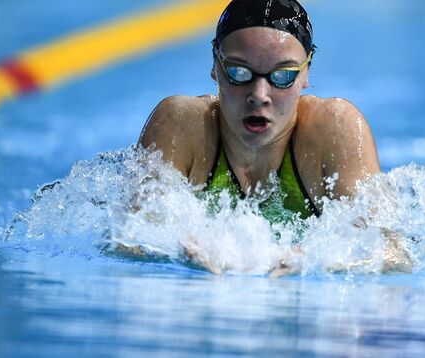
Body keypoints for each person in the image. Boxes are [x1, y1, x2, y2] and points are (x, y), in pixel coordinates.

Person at [138, 0, 410, 274]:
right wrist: (175, 249)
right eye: (238, 72)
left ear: (306, 72)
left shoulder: (335, 129)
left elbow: (392, 252)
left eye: (282, 75)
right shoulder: (181, 125)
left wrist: (315, 260)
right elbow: (128, 234)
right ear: (215, 65)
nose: (259, 95)